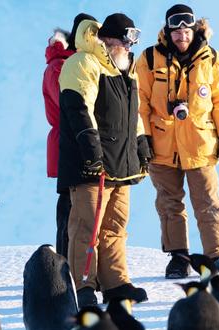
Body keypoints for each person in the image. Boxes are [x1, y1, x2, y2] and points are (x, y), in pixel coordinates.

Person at [58, 13, 152, 306]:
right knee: (86, 226)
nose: (129, 46)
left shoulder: (126, 70)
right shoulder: (83, 63)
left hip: (120, 165)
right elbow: (78, 109)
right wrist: (92, 150)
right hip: (91, 165)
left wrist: (141, 147)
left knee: (115, 227)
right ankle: (83, 285)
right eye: (126, 39)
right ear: (110, 39)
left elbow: (132, 117)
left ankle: (115, 283)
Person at [136, 4, 219, 279]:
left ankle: (215, 257)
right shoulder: (148, 59)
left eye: (186, 28)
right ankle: (178, 256)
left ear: (194, 28)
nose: (181, 34)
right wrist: (141, 138)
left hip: (200, 144)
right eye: (175, 28)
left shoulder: (212, 59)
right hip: (161, 144)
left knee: (208, 202)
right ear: (167, 30)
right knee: (169, 203)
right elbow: (139, 102)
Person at [43, 13, 96, 258]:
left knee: (81, 207)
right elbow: (68, 106)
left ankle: (77, 262)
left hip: (80, 142)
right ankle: (64, 263)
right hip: (68, 145)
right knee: (69, 208)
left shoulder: (81, 62)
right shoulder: (60, 66)